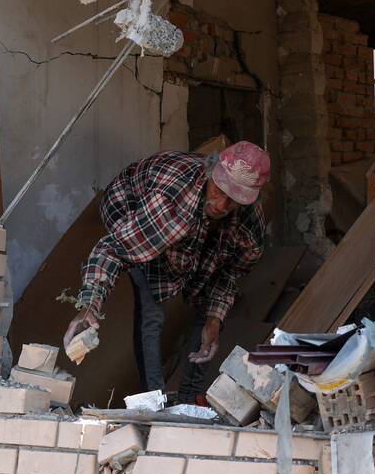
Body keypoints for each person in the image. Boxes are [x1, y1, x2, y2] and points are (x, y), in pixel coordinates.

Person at [63, 141, 270, 403]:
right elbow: (113, 250)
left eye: (234, 200)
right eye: (219, 190)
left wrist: (214, 319)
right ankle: (155, 402)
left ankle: (189, 400)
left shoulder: (249, 224)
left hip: (190, 225)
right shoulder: (171, 202)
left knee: (209, 313)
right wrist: (90, 306)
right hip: (128, 204)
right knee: (152, 309)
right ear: (210, 174)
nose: (221, 205)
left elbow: (229, 275)